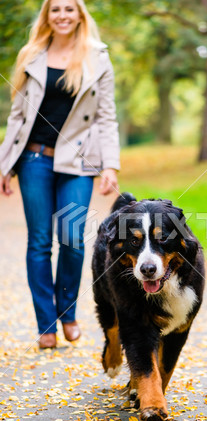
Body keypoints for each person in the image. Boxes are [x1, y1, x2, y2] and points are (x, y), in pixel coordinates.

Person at [0, 0, 120, 349]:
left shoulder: (98, 57)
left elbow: (106, 117)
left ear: (80, 15)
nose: (63, 15)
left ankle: (68, 313)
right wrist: (5, 163)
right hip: (33, 158)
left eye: (70, 9)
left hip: (78, 161)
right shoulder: (31, 55)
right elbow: (17, 116)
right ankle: (46, 323)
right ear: (47, 16)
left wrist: (109, 164)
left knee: (72, 239)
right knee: (39, 241)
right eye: (56, 9)